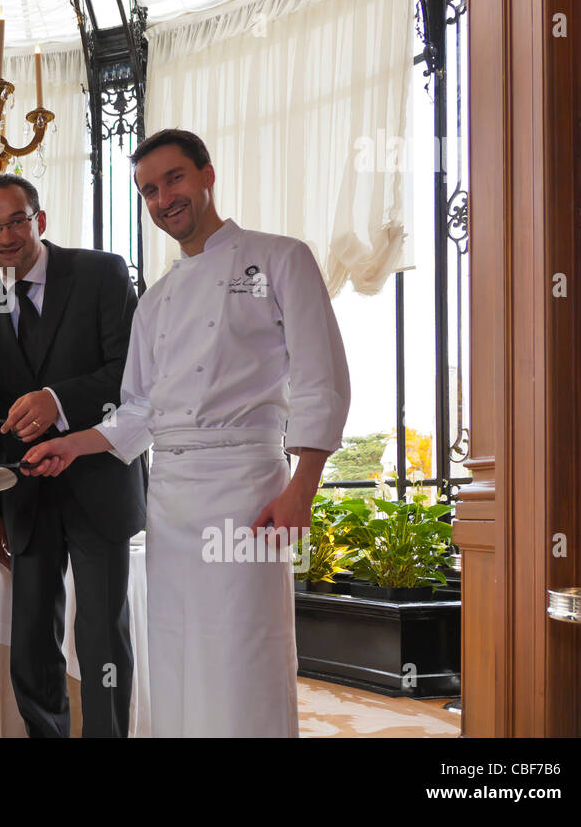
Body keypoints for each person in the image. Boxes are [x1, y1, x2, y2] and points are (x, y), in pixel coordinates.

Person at [24, 128, 350, 737]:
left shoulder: (280, 258)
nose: (162, 198)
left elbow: (321, 376)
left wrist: (302, 485)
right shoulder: (156, 299)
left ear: (207, 175)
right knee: (174, 651)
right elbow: (141, 410)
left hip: (248, 489)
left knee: (244, 649)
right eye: (149, 189)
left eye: (173, 179)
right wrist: (73, 442)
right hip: (171, 500)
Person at [0, 174, 145, 737]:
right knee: (31, 641)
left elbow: (132, 375)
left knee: (100, 637)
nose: (5, 236)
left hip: (100, 485)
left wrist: (58, 401)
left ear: (39, 220)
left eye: (16, 220)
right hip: (25, 499)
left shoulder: (101, 273)